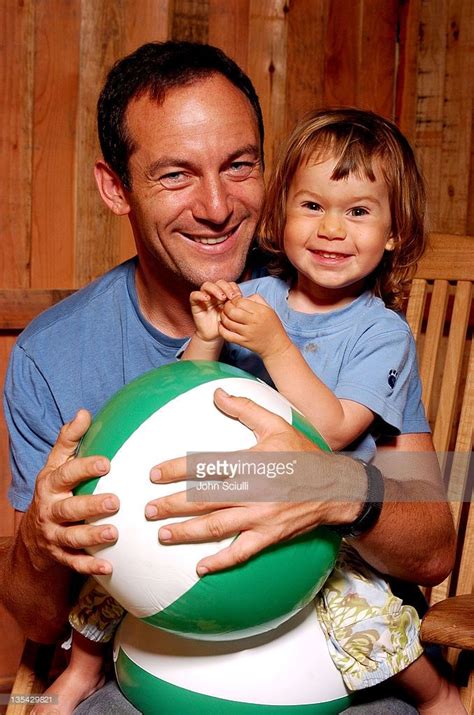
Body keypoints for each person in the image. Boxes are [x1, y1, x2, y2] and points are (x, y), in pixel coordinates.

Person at [0, 41, 454, 714]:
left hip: (335, 669)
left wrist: (337, 490)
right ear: (115, 187)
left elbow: (433, 550)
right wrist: (41, 540)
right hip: (152, 669)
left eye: (239, 166)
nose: (216, 206)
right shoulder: (51, 354)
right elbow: (39, 624)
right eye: (176, 174)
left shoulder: (341, 306)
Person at [181, 108, 465, 713]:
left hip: (333, 541)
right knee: (116, 580)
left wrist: (275, 345)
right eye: (312, 206)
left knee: (362, 620)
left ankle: (435, 691)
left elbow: (334, 431)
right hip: (240, 505)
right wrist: (206, 334)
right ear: (282, 215)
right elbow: (184, 395)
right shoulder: (255, 297)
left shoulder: (380, 334)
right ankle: (75, 680)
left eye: (358, 211)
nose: (331, 228)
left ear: (394, 232)